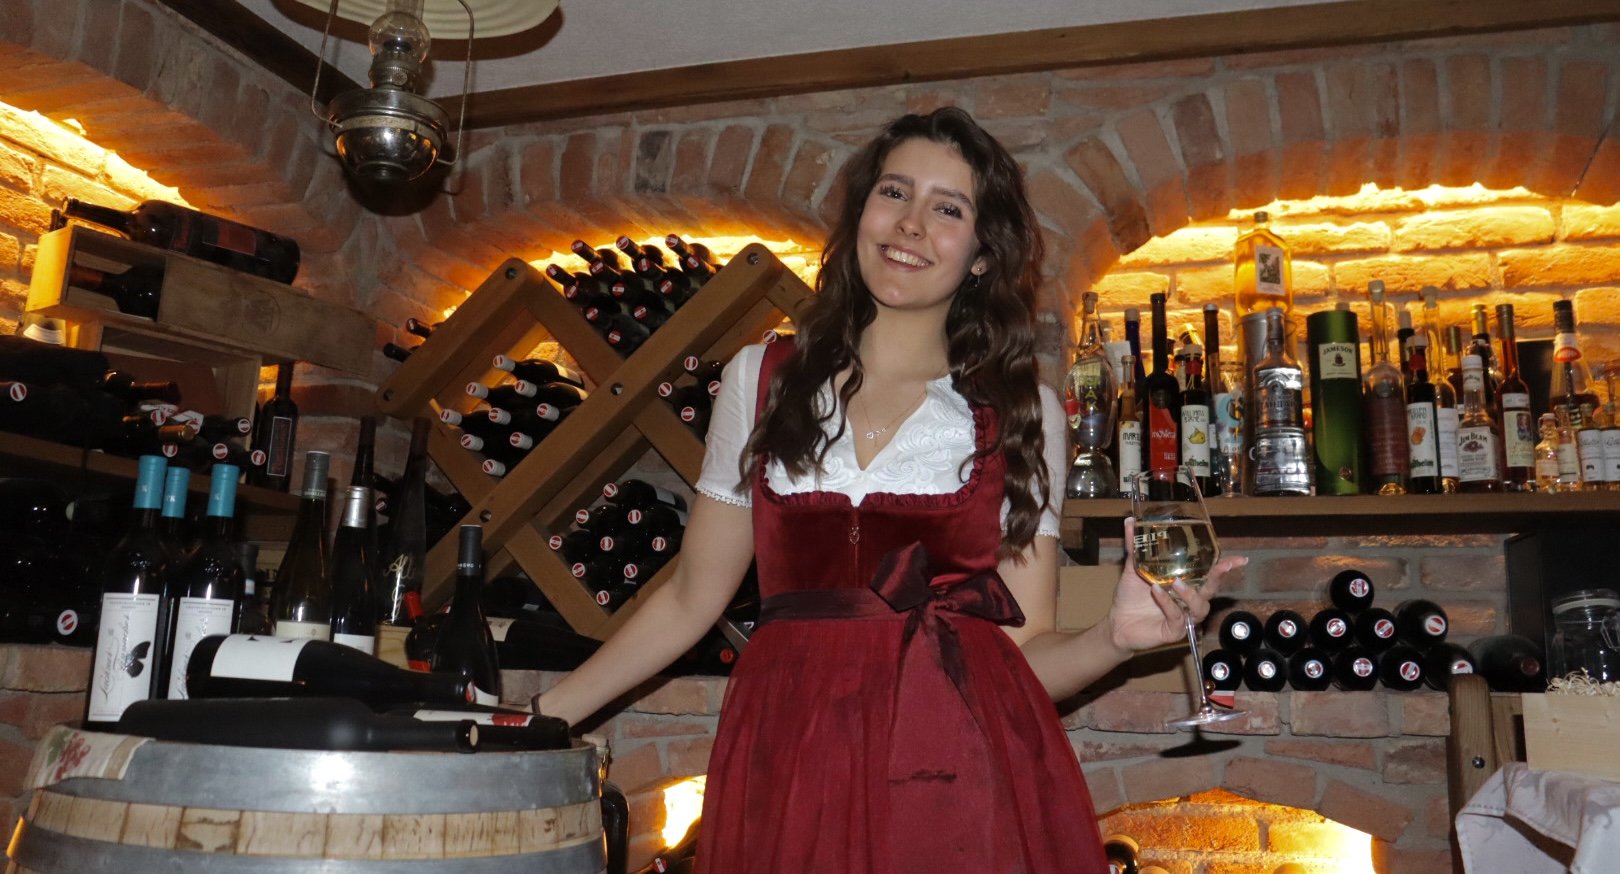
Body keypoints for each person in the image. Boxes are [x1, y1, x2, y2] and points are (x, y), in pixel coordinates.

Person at [535, 106, 1247, 872]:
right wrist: (539, 720)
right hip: (791, 751)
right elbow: (687, 600)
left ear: (982, 255)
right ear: (860, 216)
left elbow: (1022, 655)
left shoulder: (1022, 412)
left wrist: (1114, 639)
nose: (911, 223)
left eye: (948, 209)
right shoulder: (761, 379)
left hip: (957, 768)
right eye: (895, 193)